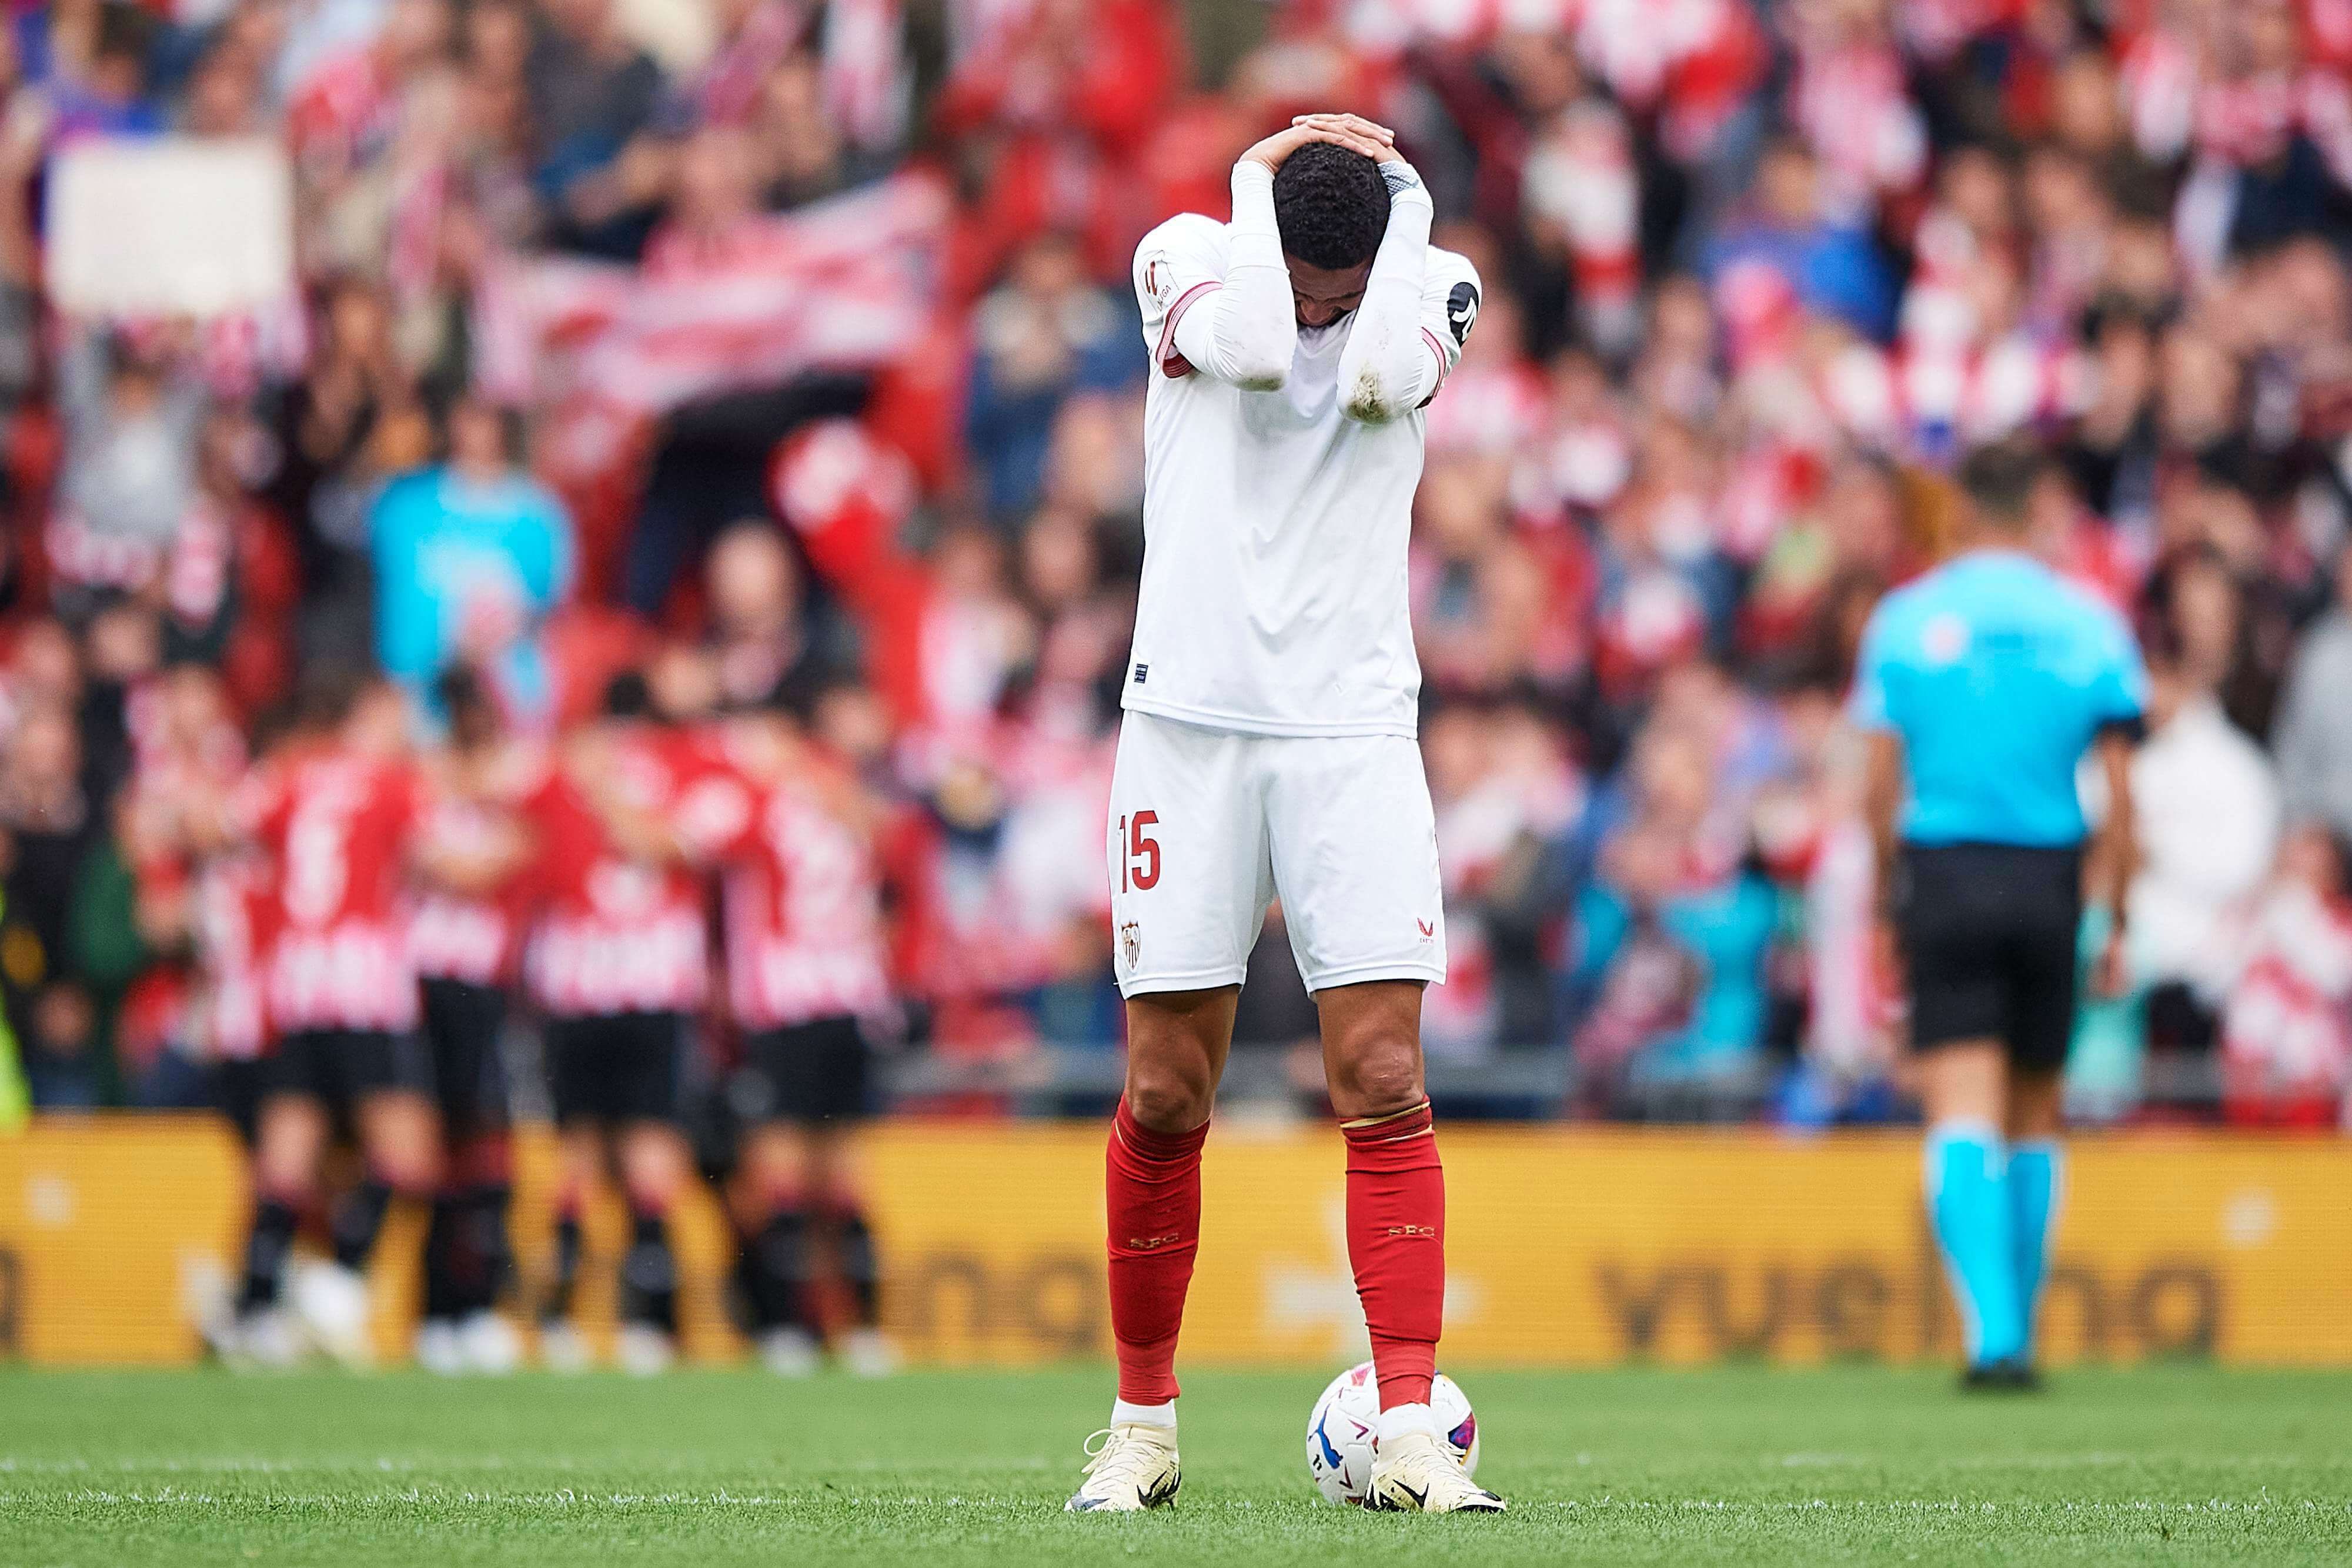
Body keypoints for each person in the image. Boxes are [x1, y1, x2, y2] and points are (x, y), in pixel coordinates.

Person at [1070, 112, 1502, 1514]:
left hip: (1350, 731)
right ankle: (1143, 1428)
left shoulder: (1428, 280)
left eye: (1335, 287)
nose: (1317, 319)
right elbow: (1252, 345)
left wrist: (1408, 203)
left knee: (1381, 1077)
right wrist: (1258, 183)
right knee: (1163, 1089)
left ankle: (1411, 1433)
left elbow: (1376, 383)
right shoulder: (1190, 248)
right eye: (1308, 287)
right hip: (1186, 724)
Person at [1853, 442, 2145, 1390]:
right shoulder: (2090, 621)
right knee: (2033, 1111)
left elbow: (1881, 779)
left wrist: (1887, 895)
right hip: (2049, 872)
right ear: (2038, 509)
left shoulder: (1906, 620)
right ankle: (2017, 1324)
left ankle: (1996, 1333)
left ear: (1963, 509)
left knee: (1961, 1105)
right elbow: (2120, 787)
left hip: (1945, 867)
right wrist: (2119, 914)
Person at [219, 666, 438, 1366]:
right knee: (408, 1155)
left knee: (288, 1149)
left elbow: (215, 823)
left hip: (296, 981)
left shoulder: (289, 772)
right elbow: (445, 859)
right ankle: (338, 1286)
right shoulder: (390, 781)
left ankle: (252, 1308)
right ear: (368, 711)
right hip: (363, 983)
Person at [519, 671, 735, 1373]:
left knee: (614, 1158)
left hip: (606, 984)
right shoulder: (690, 762)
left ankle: (595, 1322)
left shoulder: (575, 769)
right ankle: (623, 1323)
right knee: (614, 1159)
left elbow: (664, 846)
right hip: (628, 985)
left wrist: (596, 787)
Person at [704, 706, 897, 1377]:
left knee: (783, 1173)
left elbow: (675, 843)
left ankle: (788, 1327)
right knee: (842, 1173)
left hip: (784, 999)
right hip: (852, 996)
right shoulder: (845, 795)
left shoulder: (757, 799)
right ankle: (866, 1331)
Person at [407, 667, 539, 1373]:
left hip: (488, 987)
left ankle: (478, 1304)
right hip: (427, 982)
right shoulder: (422, 783)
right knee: (437, 1151)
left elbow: (505, 858)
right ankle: (436, 1310)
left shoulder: (508, 786)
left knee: (489, 1151)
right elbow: (442, 862)